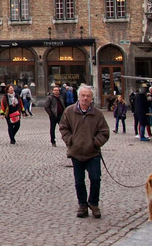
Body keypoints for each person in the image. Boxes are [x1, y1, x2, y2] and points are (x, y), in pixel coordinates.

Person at [59, 85, 110, 219]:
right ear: (78, 96)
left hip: (92, 153)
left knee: (95, 179)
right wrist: (70, 140)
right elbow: (63, 128)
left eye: (88, 96)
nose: (85, 98)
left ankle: (93, 203)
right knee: (79, 181)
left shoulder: (97, 114)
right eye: (83, 95)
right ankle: (82, 205)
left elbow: (104, 132)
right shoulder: (69, 111)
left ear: (92, 98)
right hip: (76, 152)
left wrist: (95, 143)